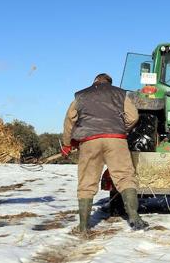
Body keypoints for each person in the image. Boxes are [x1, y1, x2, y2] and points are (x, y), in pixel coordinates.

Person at [61, 73, 148, 234]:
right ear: (109, 83)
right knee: (125, 177)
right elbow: (133, 116)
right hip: (116, 140)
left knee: (87, 181)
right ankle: (135, 218)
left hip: (89, 141)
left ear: (95, 82)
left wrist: (68, 143)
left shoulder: (81, 95)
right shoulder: (120, 93)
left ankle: (83, 226)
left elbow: (69, 120)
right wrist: (122, 128)